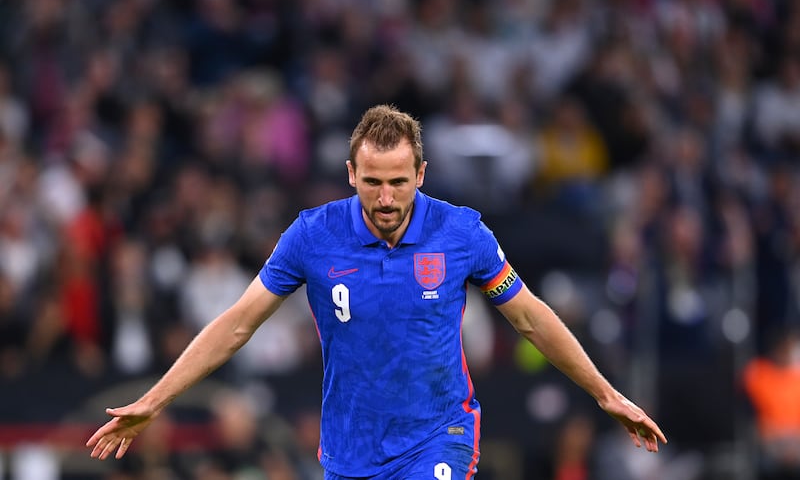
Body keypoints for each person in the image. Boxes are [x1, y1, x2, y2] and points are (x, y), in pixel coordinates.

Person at [86, 105, 667, 479]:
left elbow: (531, 318)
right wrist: (154, 401)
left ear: (420, 174)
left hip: (441, 435)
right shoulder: (312, 236)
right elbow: (238, 324)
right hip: (350, 453)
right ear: (350, 176)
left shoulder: (462, 233)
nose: (385, 198)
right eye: (372, 182)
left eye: (397, 182)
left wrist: (604, 393)